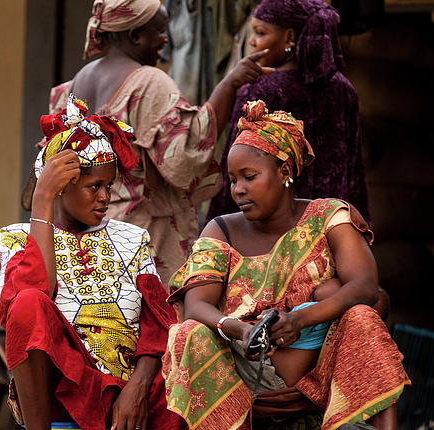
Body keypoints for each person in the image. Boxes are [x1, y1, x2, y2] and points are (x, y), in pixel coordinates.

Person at [163, 101, 408, 430]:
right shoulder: (221, 230)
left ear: (285, 172)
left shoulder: (328, 216)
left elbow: (364, 285)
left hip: (318, 368)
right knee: (186, 333)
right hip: (243, 369)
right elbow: (196, 305)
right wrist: (237, 329)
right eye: (233, 179)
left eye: (249, 176)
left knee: (362, 316)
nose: (238, 189)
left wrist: (299, 320)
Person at [0, 95, 186, 430]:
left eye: (109, 187)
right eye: (93, 187)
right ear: (63, 188)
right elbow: (37, 295)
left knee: (192, 337)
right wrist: (42, 201)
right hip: (62, 389)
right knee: (27, 303)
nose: (105, 198)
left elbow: (157, 321)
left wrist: (136, 385)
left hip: (132, 390)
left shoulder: (131, 237)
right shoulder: (18, 239)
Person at [43, 0, 273, 284]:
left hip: (81, 235)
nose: (165, 40)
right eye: (160, 32)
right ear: (135, 36)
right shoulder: (149, 83)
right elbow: (188, 152)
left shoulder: (74, 85)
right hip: (138, 236)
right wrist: (229, 84)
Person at [205, 0, 371, 226]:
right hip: (329, 229)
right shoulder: (343, 89)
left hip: (271, 233)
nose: (252, 41)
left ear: (290, 37)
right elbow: (355, 172)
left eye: (260, 33)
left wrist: (219, 227)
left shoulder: (258, 90)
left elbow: (236, 165)